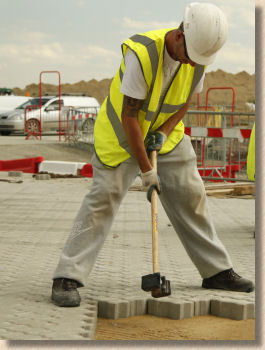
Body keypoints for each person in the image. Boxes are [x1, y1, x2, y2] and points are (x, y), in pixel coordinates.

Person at [51, 2, 254, 307]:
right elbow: (130, 117)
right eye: (188, 55)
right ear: (179, 35)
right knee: (103, 198)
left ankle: (216, 271)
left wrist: (166, 130)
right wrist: (147, 171)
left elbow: (185, 102)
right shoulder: (142, 54)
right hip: (122, 137)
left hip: (165, 136)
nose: (190, 63)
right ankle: (67, 275)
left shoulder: (198, 56)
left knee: (191, 194)